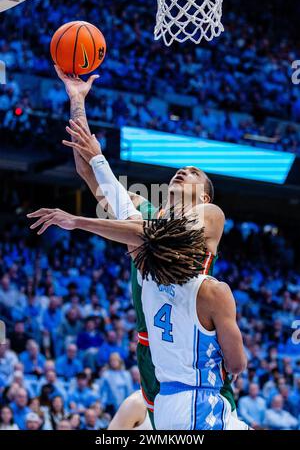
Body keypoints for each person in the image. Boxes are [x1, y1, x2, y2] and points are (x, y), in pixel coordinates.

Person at [47, 65, 236, 428]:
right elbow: (88, 170)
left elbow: (155, 233)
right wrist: (77, 102)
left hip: (193, 350)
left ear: (205, 194)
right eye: (180, 169)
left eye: (194, 173)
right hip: (151, 346)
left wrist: (81, 219)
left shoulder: (209, 215)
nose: (183, 171)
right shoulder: (142, 211)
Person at [28, 201, 248, 430]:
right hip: (199, 402)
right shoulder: (213, 291)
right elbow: (236, 364)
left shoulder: (148, 281)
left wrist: (77, 221)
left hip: (164, 402)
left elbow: (128, 219)